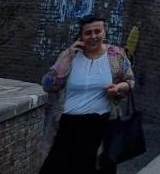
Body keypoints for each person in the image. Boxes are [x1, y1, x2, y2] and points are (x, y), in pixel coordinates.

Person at [39, 14, 136, 174]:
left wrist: (119, 88)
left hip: (102, 125)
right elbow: (48, 85)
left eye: (98, 31)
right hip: (68, 126)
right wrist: (68, 58)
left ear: (104, 33)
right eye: (88, 33)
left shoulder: (116, 55)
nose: (93, 37)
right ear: (80, 36)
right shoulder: (69, 55)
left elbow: (130, 81)